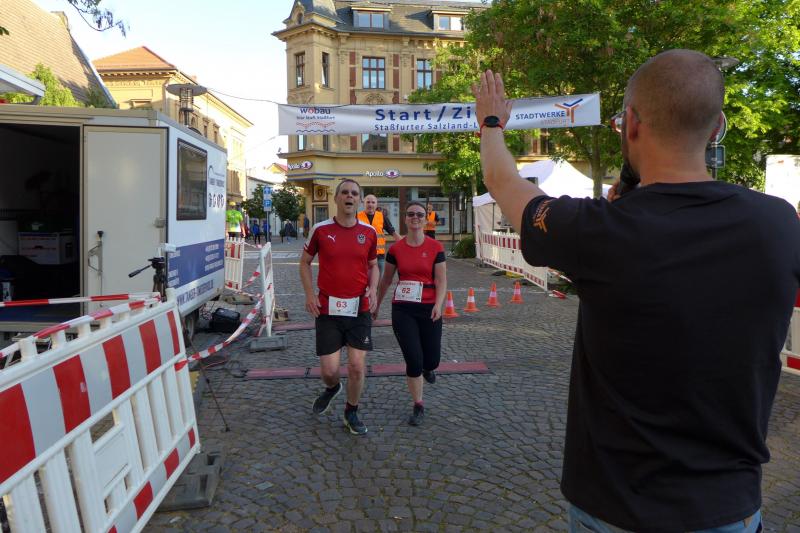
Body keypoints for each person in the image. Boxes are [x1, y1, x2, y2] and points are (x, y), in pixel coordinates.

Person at [472, 50, 800, 532]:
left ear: (631, 124)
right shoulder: (779, 224)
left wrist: (492, 122)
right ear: (717, 127)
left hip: (616, 506)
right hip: (728, 505)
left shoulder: (598, 230)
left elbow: (503, 180)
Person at [299, 179, 379, 435]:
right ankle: (333, 387)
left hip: (359, 308)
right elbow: (304, 262)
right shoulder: (321, 230)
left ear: (359, 200)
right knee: (330, 371)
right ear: (336, 198)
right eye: (344, 192)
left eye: (354, 193)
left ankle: (351, 411)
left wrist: (373, 288)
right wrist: (310, 295)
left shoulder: (369, 232)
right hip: (328, 310)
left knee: (356, 366)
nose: (349, 196)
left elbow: (373, 265)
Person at [374, 201, 446, 426]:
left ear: (425, 219)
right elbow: (386, 280)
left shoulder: (436, 247)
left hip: (429, 308)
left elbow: (441, 280)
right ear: (405, 219)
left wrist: (439, 304)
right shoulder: (396, 249)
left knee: (432, 360)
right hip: (403, 309)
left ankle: (428, 368)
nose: (415, 217)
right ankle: (418, 404)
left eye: (420, 214)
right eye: (411, 214)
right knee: (413, 359)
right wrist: (376, 305)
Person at [358, 194, 400, 276]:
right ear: (363, 203)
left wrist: (405, 245)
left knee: (379, 280)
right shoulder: (357, 217)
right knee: (363, 279)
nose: (370, 204)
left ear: (376, 204)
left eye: (373, 202)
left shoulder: (381, 216)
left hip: (379, 256)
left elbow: (393, 232)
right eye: (368, 202)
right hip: (363, 256)